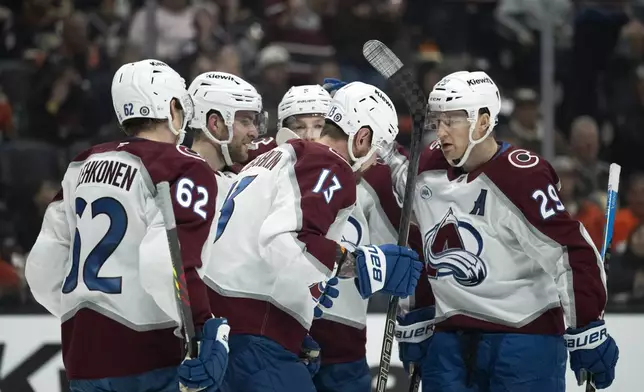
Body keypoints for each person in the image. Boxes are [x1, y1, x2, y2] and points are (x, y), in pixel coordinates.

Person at [383, 71, 619, 391]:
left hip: (524, 341)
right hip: (449, 340)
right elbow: (413, 233)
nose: (442, 132)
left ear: (482, 123)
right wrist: (418, 317)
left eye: (453, 120)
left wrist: (588, 328)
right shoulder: (427, 170)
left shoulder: (521, 178)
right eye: (438, 121)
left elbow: (570, 252)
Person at [201, 81, 423, 392]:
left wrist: (296, 315)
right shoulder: (329, 165)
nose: (374, 162)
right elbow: (288, 242)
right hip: (255, 337)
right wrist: (361, 262)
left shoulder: (280, 155)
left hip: (225, 333)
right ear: (362, 138)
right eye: (376, 151)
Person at [25, 60, 229, 392]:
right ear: (173, 107)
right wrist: (203, 328)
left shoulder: (82, 163)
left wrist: (85, 317)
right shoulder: (182, 165)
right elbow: (167, 261)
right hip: (149, 355)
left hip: (83, 356)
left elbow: (41, 270)